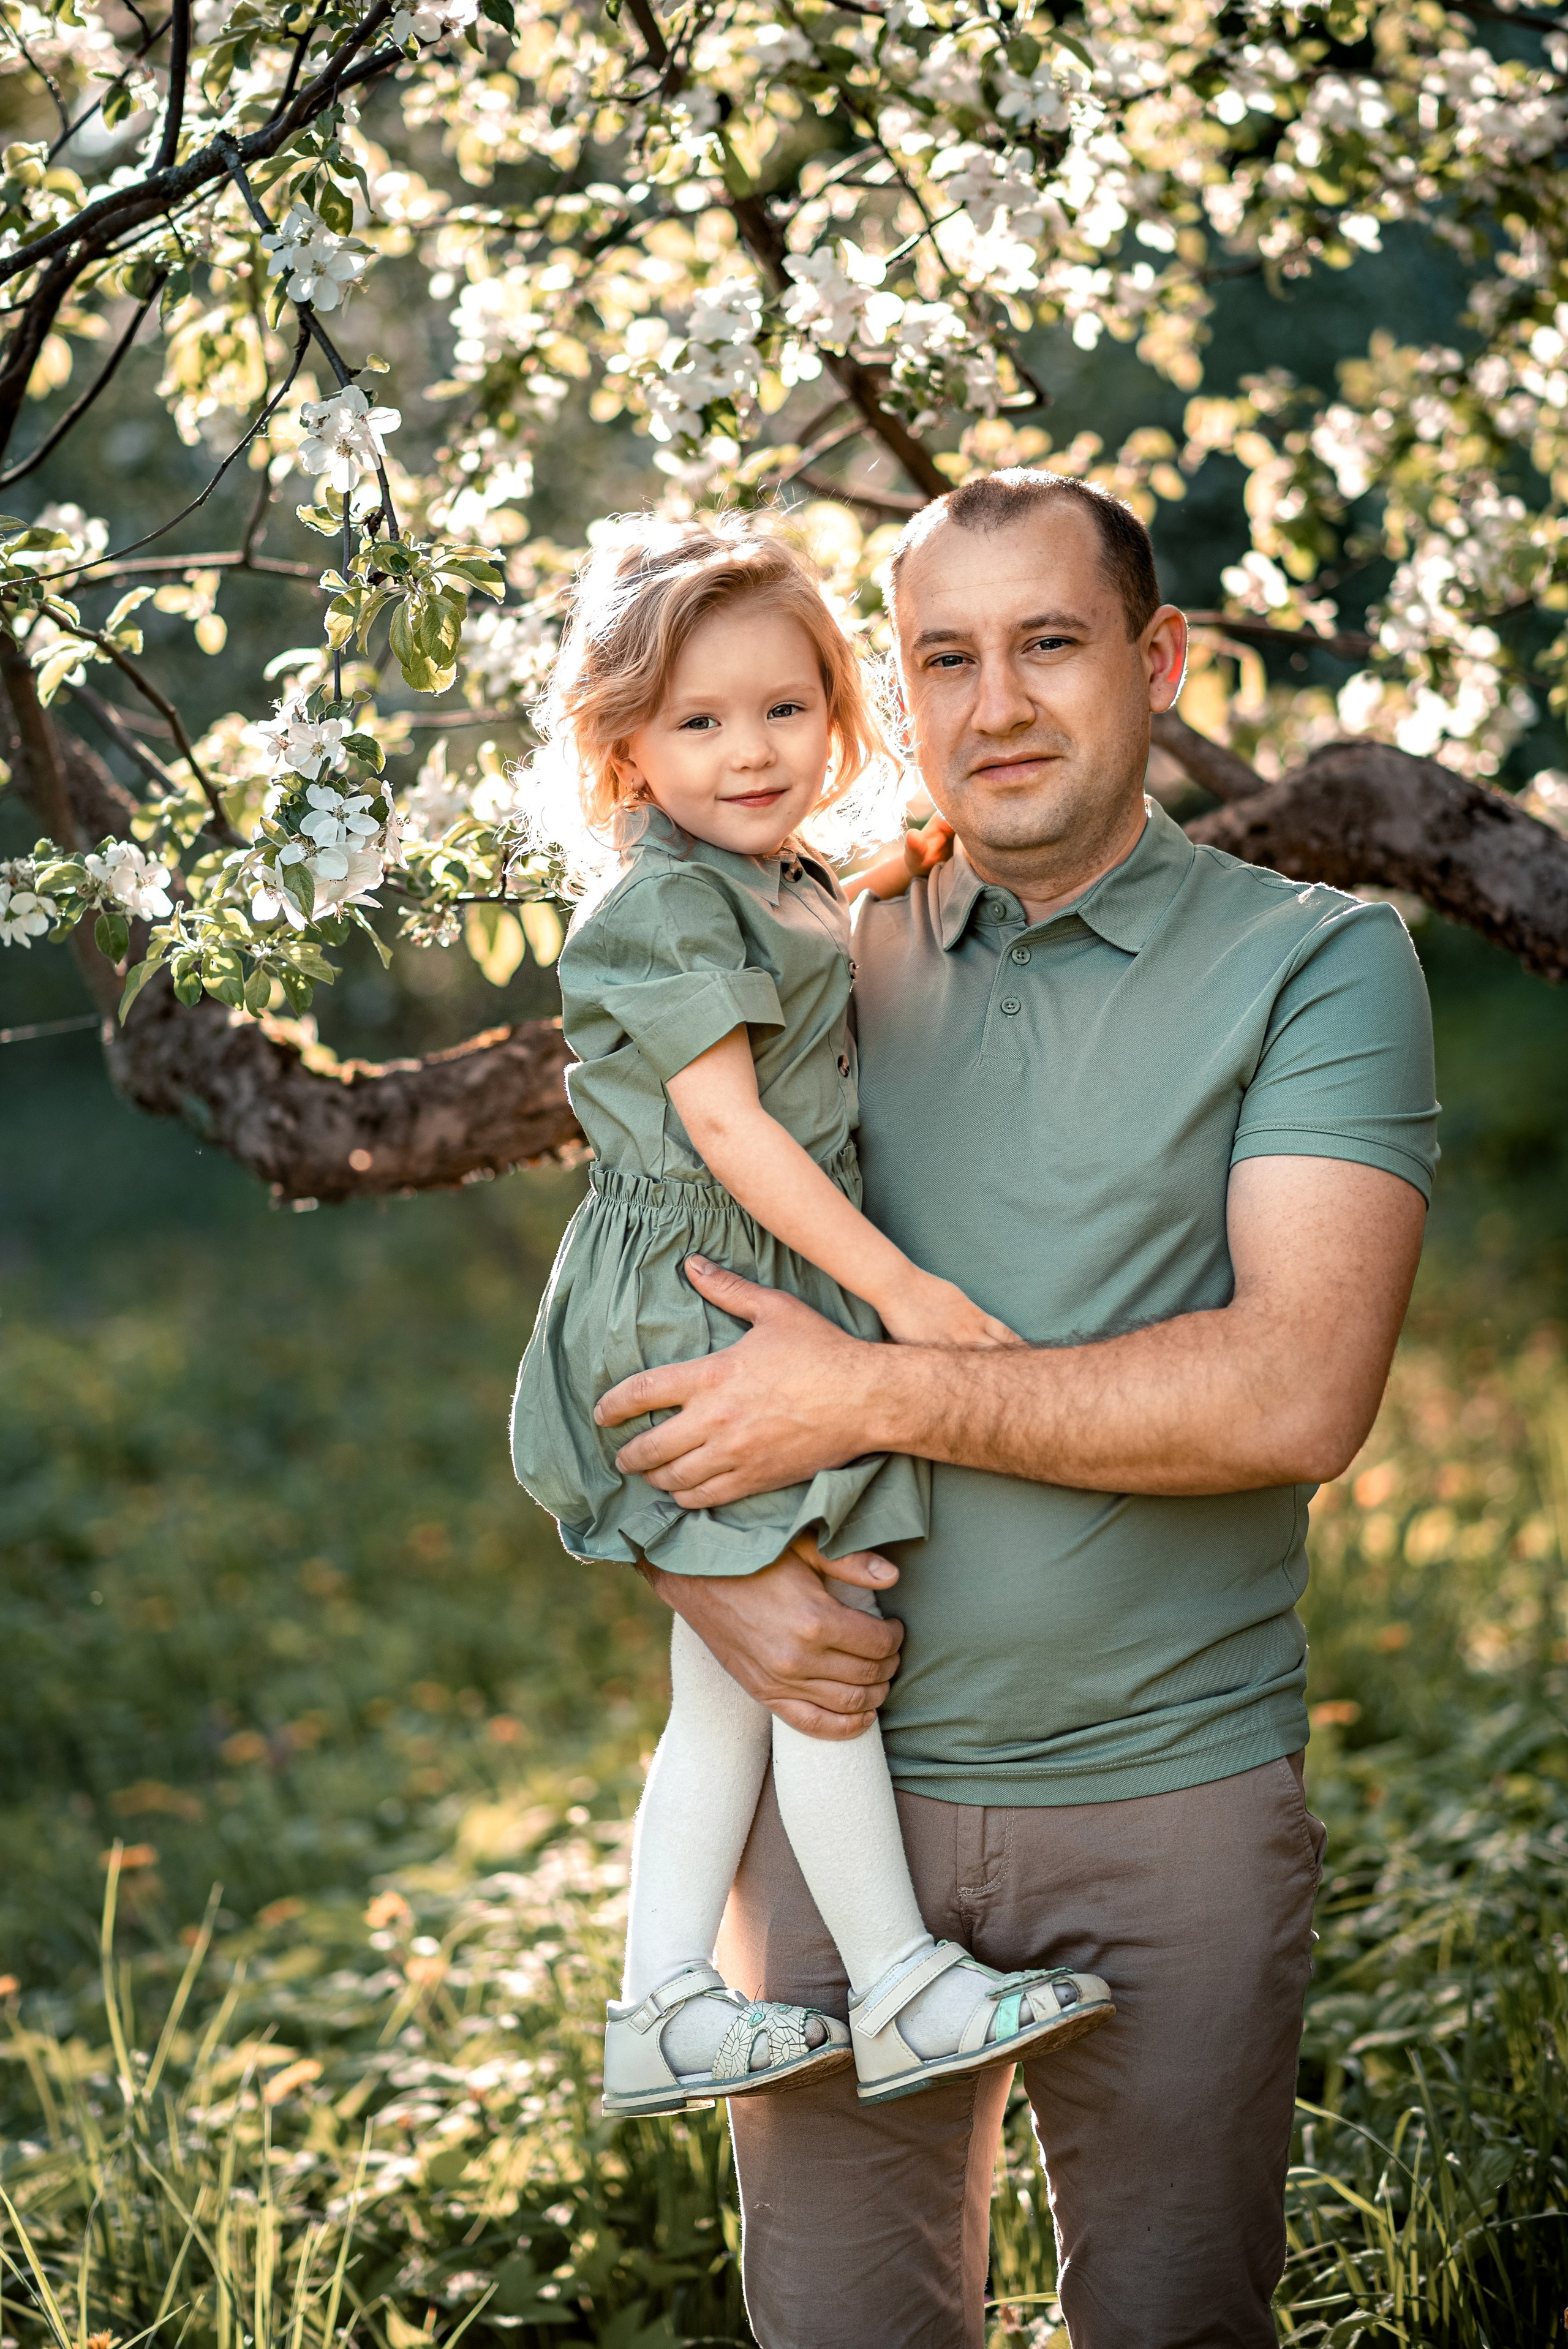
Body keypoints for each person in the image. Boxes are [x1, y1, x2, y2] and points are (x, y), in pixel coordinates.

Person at [594, 472, 1439, 2348]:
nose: (999, 707)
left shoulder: (1319, 963)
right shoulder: (819, 952)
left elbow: (1298, 1393)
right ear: (897, 698)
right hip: (839, 1819)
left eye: (1051, 643)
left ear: (1158, 660)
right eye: (944, 661)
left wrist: (878, 1385)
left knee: (1174, 2324)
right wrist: (703, 1582)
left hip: (1176, 1806)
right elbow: (642, 1295)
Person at [509, 513, 1114, 2125]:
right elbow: (733, 1129)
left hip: (745, 1286)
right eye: (699, 722)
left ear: (839, 713)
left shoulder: (772, 880)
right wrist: (907, 1300)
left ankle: (666, 2001)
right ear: (629, 749)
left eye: (784, 708)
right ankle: (896, 1973)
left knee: (736, 1676)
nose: (749, 747)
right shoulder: (658, 910)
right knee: (810, 1648)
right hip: (696, 1296)